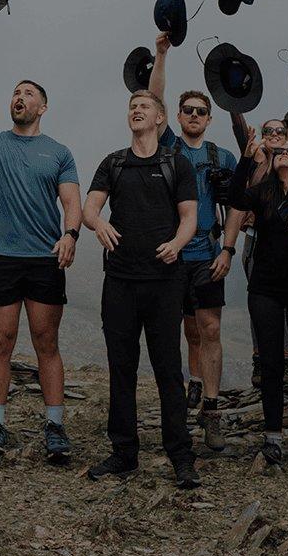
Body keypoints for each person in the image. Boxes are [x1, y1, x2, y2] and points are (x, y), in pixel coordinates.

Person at [0, 39, 81, 463]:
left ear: (42, 107)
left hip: (44, 258)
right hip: (1, 258)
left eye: (28, 93)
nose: (18, 97)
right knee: (0, 343)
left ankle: (56, 428)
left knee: (47, 343)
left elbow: (71, 202)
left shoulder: (59, 152)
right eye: (15, 92)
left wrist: (71, 235)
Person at [82, 90, 200, 488]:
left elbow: (189, 218)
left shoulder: (175, 164)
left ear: (160, 118)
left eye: (144, 106)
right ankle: (124, 452)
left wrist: (178, 244)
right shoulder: (114, 163)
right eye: (131, 105)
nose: (135, 109)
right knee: (122, 368)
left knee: (168, 369)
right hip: (120, 280)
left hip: (165, 282)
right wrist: (98, 224)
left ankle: (181, 457)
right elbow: (89, 208)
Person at [147, 32, 237, 451]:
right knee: (187, 331)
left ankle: (212, 410)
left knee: (211, 326)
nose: (195, 115)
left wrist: (228, 248)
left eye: (202, 111)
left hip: (207, 251)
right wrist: (161, 56)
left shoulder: (223, 158)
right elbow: (154, 101)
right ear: (178, 116)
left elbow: (238, 206)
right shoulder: (167, 149)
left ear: (209, 118)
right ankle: (192, 387)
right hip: (172, 253)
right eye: (188, 110)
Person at [222, 138, 288, 474]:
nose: (284, 155)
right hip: (264, 288)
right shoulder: (263, 192)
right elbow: (233, 197)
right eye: (278, 152)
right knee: (270, 364)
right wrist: (247, 159)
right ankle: (273, 438)